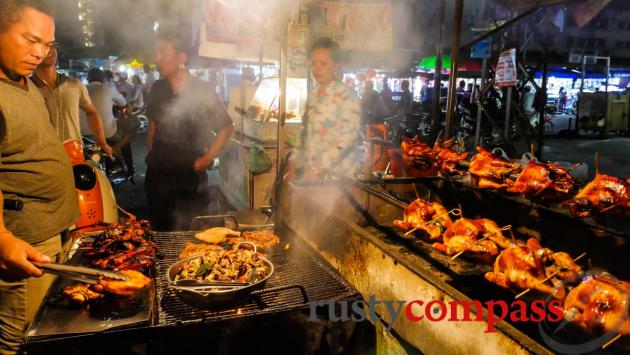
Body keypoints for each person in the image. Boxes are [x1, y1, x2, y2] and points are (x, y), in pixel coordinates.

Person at [0, 1, 80, 353]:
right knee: (20, 334)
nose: (40, 53)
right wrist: (3, 240)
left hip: (54, 232)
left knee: (51, 325)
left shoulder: (26, 82)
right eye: (31, 40)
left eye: (48, 45)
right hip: (25, 244)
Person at [145, 30, 234, 231]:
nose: (157, 58)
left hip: (189, 175)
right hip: (158, 176)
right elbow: (152, 125)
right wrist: (152, 153)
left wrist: (208, 158)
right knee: (160, 231)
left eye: (163, 53)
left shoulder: (201, 90)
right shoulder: (158, 88)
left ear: (182, 57)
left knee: (190, 232)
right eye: (156, 52)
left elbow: (227, 126)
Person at [285, 37, 361, 181]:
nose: (317, 68)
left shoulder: (347, 95)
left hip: (339, 179)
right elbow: (304, 134)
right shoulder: (313, 95)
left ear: (336, 66)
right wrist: (293, 162)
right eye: (313, 63)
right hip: (312, 177)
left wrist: (318, 168)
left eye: (323, 63)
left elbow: (347, 139)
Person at [32, 46, 112, 156]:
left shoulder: (74, 85)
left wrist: (101, 141)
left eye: (52, 45)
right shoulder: (24, 88)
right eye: (44, 46)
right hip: (41, 158)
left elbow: (91, 112)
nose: (50, 50)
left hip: (75, 156)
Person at [82, 68, 138, 179]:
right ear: (104, 79)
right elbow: (123, 103)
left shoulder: (81, 89)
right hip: (107, 134)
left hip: (82, 135)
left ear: (88, 79)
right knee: (135, 122)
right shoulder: (108, 89)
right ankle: (128, 167)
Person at [227, 66, 257, 132]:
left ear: (241, 77)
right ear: (253, 78)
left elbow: (230, 111)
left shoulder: (232, 90)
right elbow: (257, 113)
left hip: (235, 129)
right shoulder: (256, 90)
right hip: (251, 130)